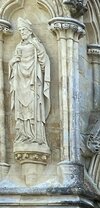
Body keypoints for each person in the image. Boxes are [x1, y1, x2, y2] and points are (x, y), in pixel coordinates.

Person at [9, 18, 51, 148]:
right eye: (20, 30)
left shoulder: (35, 44)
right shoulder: (18, 47)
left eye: (23, 30)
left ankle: (36, 136)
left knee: (33, 108)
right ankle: (23, 135)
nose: (22, 33)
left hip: (33, 82)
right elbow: (12, 62)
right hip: (21, 82)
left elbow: (44, 61)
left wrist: (39, 52)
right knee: (22, 109)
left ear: (29, 31)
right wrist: (13, 62)